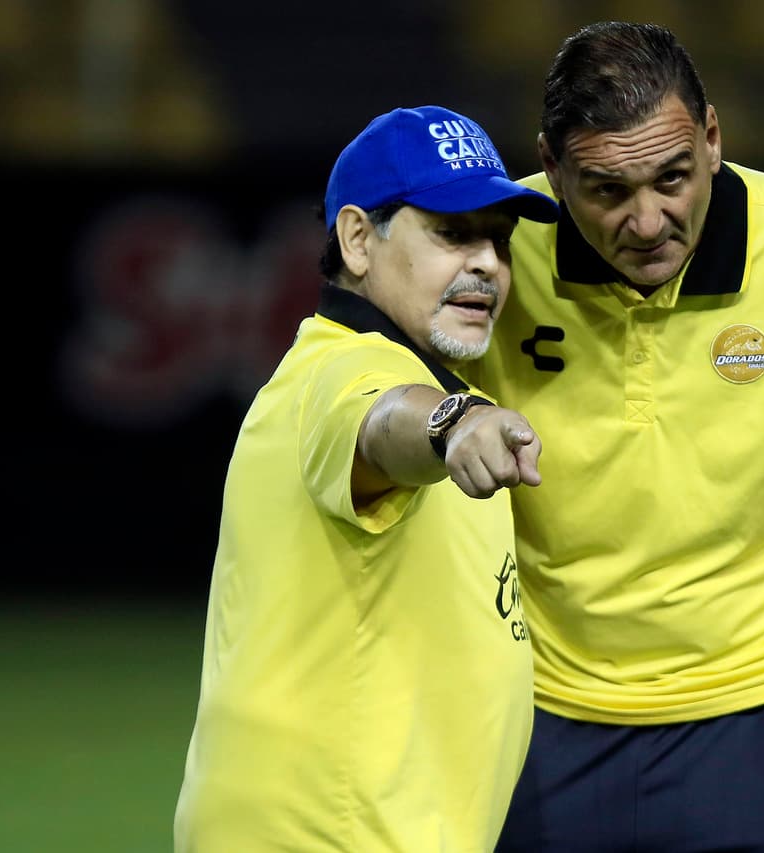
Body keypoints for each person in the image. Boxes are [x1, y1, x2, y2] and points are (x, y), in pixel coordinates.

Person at [469, 21, 764, 853]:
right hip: (543, 728)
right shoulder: (491, 252)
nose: (649, 220)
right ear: (551, 169)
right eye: (607, 191)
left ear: (714, 137)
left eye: (672, 178)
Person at [173, 105, 558, 852]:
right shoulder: (340, 369)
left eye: (499, 240)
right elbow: (384, 422)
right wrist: (453, 423)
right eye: (452, 231)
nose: (485, 261)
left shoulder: (402, 366)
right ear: (357, 239)